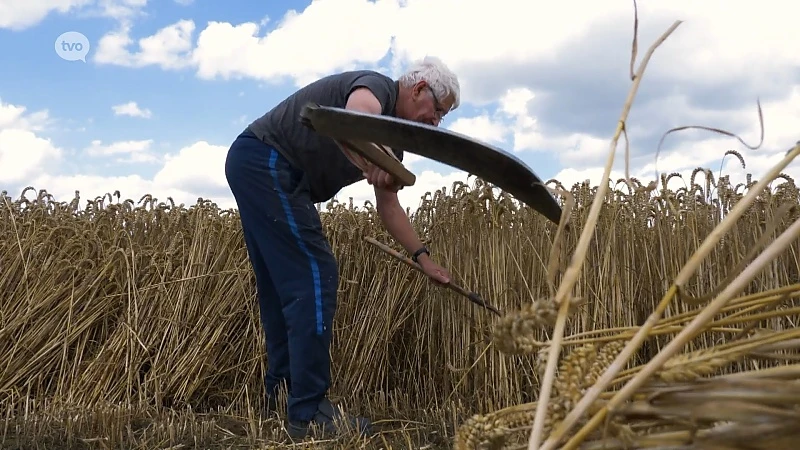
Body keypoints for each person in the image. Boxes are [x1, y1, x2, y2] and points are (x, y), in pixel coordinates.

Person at [223, 56, 461, 440]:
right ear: (418, 89)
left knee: (281, 288)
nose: (435, 123)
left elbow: (389, 206)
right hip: (266, 158)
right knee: (315, 275)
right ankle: (309, 410)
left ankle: (281, 395)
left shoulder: (393, 146)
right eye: (437, 110)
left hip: (260, 166)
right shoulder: (377, 88)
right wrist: (373, 157)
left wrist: (424, 258)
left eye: (442, 118)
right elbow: (353, 119)